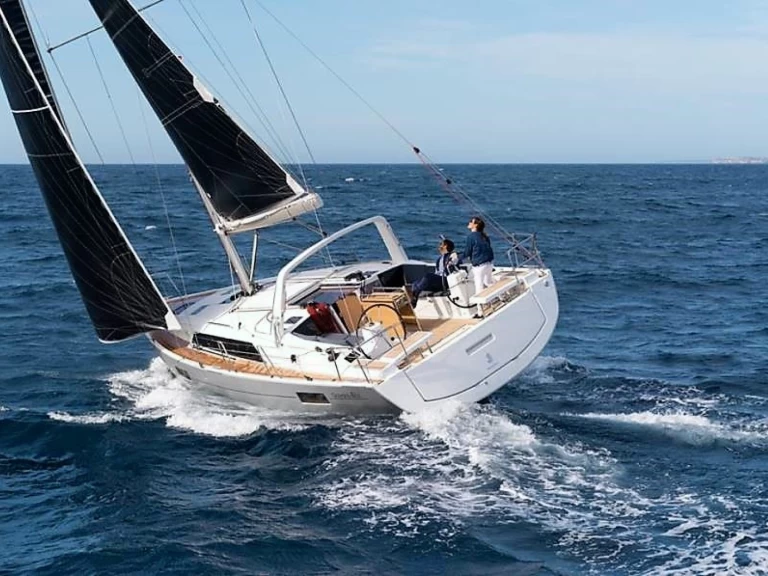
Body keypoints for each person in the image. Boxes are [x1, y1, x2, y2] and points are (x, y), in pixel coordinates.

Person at [411, 238, 458, 306]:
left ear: (445, 246)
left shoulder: (452, 255)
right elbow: (437, 272)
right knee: (415, 283)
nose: (439, 246)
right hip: (438, 281)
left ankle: (415, 297)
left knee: (428, 276)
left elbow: (455, 261)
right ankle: (414, 297)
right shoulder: (439, 259)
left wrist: (451, 260)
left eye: (441, 244)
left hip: (446, 280)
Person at [460, 216, 494, 292]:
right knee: (488, 283)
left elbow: (467, 253)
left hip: (480, 267)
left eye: (471, 221)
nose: (469, 223)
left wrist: (457, 258)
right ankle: (500, 297)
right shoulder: (485, 236)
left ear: (475, 225)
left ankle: (481, 304)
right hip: (489, 264)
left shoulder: (471, 237)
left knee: (479, 287)